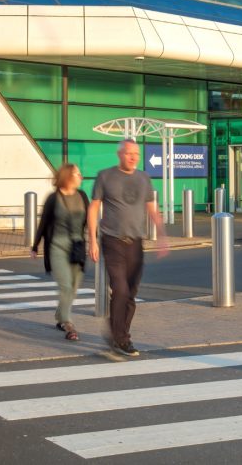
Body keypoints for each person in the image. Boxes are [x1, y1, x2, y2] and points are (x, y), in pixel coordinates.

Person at [87, 139, 168, 357]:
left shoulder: (143, 178)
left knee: (131, 294)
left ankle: (117, 334)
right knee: (120, 290)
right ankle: (122, 340)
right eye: (129, 153)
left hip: (136, 242)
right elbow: (94, 208)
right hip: (112, 241)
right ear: (120, 154)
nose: (133, 157)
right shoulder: (105, 176)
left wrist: (161, 235)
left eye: (136, 154)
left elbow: (152, 208)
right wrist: (92, 240)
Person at [31, 163, 89, 341]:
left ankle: (59, 315)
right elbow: (43, 223)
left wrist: (95, 240)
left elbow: (90, 220)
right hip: (57, 245)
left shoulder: (82, 196)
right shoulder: (53, 198)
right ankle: (67, 323)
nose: (81, 177)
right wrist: (35, 245)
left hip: (77, 246)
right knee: (65, 286)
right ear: (68, 177)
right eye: (78, 174)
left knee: (73, 286)